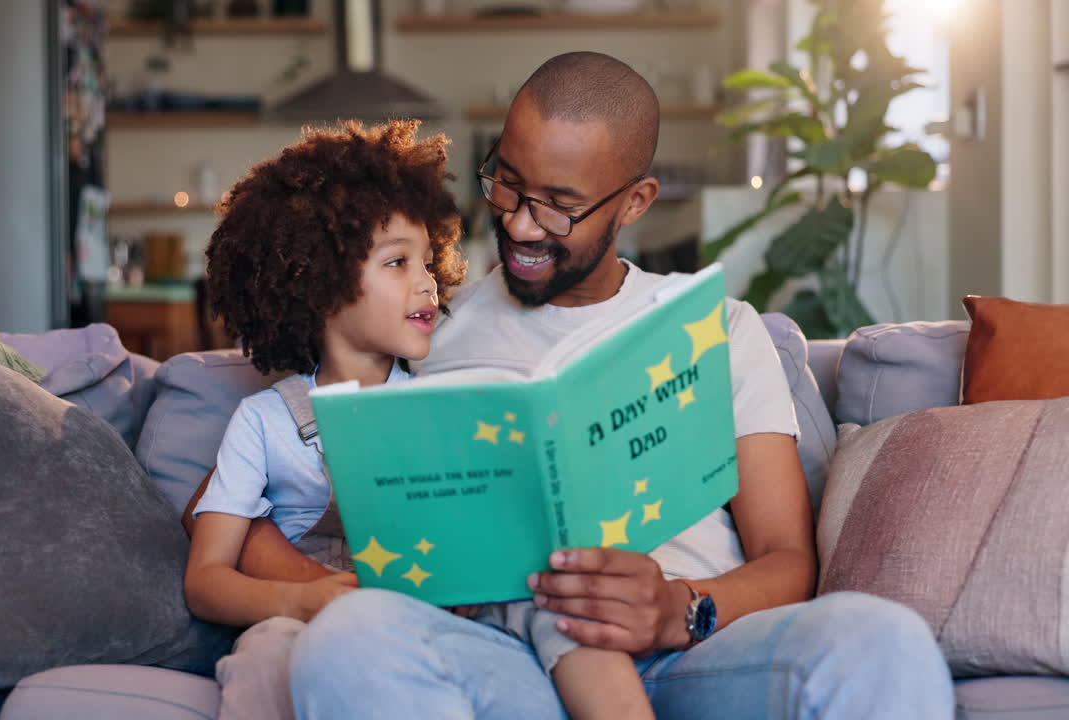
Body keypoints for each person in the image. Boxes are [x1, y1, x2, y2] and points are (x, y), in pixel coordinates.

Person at [236, 53, 956, 719]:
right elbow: (262, 499)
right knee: (348, 635)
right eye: (507, 181)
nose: (519, 222)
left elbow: (787, 560)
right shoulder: (422, 334)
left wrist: (676, 608)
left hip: (699, 654)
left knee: (881, 638)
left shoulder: (715, 330)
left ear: (635, 201)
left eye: (558, 204)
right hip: (516, 659)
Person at [183, 120, 467, 720]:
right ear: (324, 286)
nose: (427, 282)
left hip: (412, 624)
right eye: (397, 263)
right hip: (290, 620)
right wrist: (299, 601)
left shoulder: (446, 404)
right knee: (266, 661)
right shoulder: (263, 421)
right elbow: (205, 580)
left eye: (427, 260)